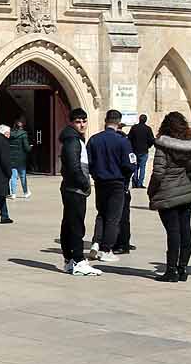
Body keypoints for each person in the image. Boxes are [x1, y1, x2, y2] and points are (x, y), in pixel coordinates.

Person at [146, 111, 191, 283]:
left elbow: (159, 172)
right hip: (185, 192)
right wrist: (188, 178)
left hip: (166, 193)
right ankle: (183, 269)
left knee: (173, 232)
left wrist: (151, 190)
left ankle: (171, 271)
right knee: (185, 230)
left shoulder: (163, 145)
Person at [86, 110, 134, 263]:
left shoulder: (94, 140)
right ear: (119, 122)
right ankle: (106, 249)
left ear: (105, 120)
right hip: (117, 182)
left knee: (101, 214)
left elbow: (88, 162)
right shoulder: (122, 141)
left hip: (100, 181)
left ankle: (96, 242)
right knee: (113, 217)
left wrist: (95, 174)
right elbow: (130, 164)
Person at [59, 108, 99, 277]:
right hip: (74, 189)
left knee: (69, 223)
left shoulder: (74, 139)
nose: (82, 124)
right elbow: (74, 166)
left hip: (71, 187)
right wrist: (85, 183)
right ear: (71, 122)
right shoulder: (73, 141)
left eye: (84, 121)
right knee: (75, 225)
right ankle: (77, 261)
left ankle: (69, 260)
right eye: (78, 121)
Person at [8, 116, 31, 198]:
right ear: (22, 126)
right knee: (22, 176)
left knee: (13, 176)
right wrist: (30, 147)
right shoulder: (23, 134)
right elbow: (26, 148)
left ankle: (13, 193)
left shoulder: (10, 134)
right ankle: (25, 192)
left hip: (12, 158)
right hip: (21, 158)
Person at [128, 113, 154, 188]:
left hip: (135, 150)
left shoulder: (134, 127)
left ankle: (135, 182)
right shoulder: (148, 129)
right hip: (144, 151)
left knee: (135, 167)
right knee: (143, 167)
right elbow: (152, 140)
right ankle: (140, 184)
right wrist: (148, 146)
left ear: (139, 119)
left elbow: (129, 138)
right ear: (146, 120)